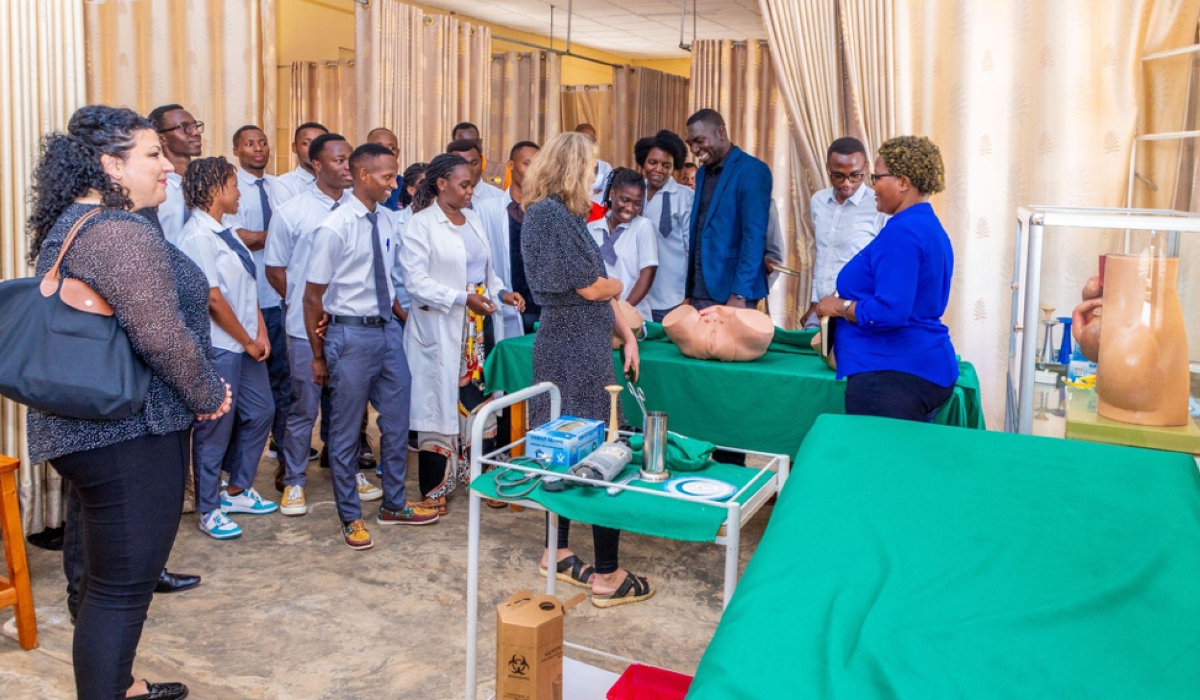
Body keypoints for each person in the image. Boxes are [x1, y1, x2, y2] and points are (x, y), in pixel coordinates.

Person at [27, 104, 230, 700]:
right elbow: (160, 334)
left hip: (97, 431)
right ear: (110, 165)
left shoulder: (77, 222)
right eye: (151, 155)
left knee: (104, 583)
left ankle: (120, 684)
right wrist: (207, 391)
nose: (166, 166)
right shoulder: (117, 231)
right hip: (128, 434)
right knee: (121, 589)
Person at [521, 132, 654, 608]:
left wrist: (630, 336)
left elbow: (603, 293)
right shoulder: (551, 216)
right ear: (573, 168)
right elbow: (595, 287)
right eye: (592, 168)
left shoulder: (563, 216)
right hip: (573, 349)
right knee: (598, 453)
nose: (596, 177)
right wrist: (614, 284)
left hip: (580, 344)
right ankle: (606, 574)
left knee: (569, 449)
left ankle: (555, 552)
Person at [304, 142, 439, 550]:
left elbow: (389, 279)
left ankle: (394, 504)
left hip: (386, 333)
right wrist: (316, 354)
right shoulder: (335, 227)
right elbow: (313, 297)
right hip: (349, 336)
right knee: (345, 433)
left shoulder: (386, 221)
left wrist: (402, 319)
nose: (394, 183)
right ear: (363, 176)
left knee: (397, 424)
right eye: (387, 177)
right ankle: (350, 516)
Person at [400, 153, 524, 514]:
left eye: (472, 185)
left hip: (477, 332)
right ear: (442, 184)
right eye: (464, 185)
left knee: (476, 403)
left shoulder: (474, 220)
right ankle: (434, 490)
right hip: (440, 329)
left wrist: (500, 292)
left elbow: (488, 271)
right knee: (438, 408)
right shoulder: (420, 225)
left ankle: (479, 480)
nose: (471, 191)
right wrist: (461, 297)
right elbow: (416, 283)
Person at [265, 134, 377, 512]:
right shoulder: (291, 212)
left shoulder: (363, 210)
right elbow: (275, 269)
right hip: (304, 328)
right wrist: (307, 307)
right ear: (316, 165)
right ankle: (294, 480)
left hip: (349, 327)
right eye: (340, 160)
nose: (348, 167)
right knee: (303, 407)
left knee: (347, 407)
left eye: (350, 160)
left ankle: (347, 473)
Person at [814, 135, 958, 421]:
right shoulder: (925, 224)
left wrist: (839, 306)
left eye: (877, 178)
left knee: (876, 465)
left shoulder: (903, 233)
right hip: (913, 367)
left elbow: (891, 311)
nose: (872, 186)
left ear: (903, 182)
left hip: (892, 375)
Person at [177, 157, 279, 539]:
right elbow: (214, 301)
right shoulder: (197, 237)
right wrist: (247, 340)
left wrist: (262, 334)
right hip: (222, 347)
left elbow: (247, 288)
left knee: (261, 411)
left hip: (248, 344)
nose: (239, 193)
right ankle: (209, 508)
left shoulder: (228, 231)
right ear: (217, 190)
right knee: (214, 428)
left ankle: (236, 488)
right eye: (234, 185)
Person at [226, 125, 293, 461]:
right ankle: (236, 463)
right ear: (237, 150)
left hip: (281, 297)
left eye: (262, 142)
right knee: (247, 387)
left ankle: (282, 449)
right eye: (249, 144)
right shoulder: (231, 188)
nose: (258, 149)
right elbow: (237, 236)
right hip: (247, 303)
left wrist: (268, 236)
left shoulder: (279, 187)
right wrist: (278, 236)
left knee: (285, 381)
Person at [683, 109, 772, 311]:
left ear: (720, 132)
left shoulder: (752, 170)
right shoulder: (702, 173)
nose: (695, 150)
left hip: (733, 293)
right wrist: (690, 291)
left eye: (699, 141)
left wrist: (740, 293)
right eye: (690, 144)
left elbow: (754, 237)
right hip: (699, 291)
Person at [800, 137, 887, 329]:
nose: (847, 183)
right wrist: (815, 302)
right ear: (828, 169)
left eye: (855, 175)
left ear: (865, 168)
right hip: (822, 308)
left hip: (855, 310)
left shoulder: (878, 205)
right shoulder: (819, 202)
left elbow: (883, 264)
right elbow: (823, 255)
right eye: (838, 176)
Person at [477, 140, 541, 337]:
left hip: (542, 309)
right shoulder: (488, 209)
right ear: (511, 165)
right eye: (527, 164)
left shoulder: (546, 211)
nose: (533, 172)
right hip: (505, 304)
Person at [635, 130, 693, 322]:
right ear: (643, 162)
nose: (658, 169)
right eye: (653, 162)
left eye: (666, 165)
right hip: (635, 293)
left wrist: (689, 294)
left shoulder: (685, 197)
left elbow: (690, 248)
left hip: (672, 295)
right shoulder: (633, 194)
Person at [587, 167, 658, 321]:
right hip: (598, 318)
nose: (630, 208)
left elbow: (647, 274)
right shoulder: (591, 229)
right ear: (612, 194)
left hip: (633, 316)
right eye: (625, 200)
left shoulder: (643, 227)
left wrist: (623, 311)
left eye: (637, 203)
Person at [148, 103, 203, 245]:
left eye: (195, 125)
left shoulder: (204, 182)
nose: (196, 132)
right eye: (185, 127)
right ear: (162, 138)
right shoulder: (154, 189)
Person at [274, 122, 329, 202]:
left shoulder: (340, 182)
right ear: (294, 147)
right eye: (306, 143)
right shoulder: (283, 185)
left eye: (320, 144)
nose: (314, 149)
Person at [447, 138, 504, 202]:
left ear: (481, 161)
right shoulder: (441, 199)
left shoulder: (500, 198)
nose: (469, 170)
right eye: (461, 165)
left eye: (474, 163)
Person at [367, 127, 406, 211]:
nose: (385, 151)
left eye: (391, 148)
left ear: (398, 153)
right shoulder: (354, 187)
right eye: (377, 146)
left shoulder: (407, 186)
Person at [575, 123, 613, 203]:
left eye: (591, 139)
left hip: (598, 212)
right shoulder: (567, 165)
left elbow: (608, 194)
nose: (587, 142)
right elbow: (567, 193)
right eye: (583, 139)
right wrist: (594, 192)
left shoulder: (605, 167)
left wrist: (586, 198)